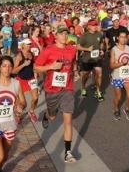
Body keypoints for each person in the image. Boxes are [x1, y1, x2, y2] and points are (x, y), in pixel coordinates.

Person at [34, 26, 78, 163]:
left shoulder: (72, 49)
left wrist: (75, 71)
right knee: (53, 116)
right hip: (51, 89)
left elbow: (73, 62)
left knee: (68, 121)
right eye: (61, 34)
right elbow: (36, 67)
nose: (65, 36)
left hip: (67, 88)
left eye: (66, 33)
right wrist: (50, 67)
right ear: (56, 36)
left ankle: (68, 152)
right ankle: (47, 115)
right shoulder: (48, 50)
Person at [110, 29, 129, 120]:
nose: (123, 39)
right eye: (121, 37)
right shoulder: (114, 50)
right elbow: (111, 65)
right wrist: (121, 63)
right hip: (117, 76)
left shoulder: (128, 48)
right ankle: (116, 109)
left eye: (125, 37)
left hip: (128, 75)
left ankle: (127, 109)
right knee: (118, 97)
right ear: (117, 38)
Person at [77, 19, 105, 101]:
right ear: (88, 26)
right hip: (87, 59)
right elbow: (77, 47)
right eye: (93, 25)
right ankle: (83, 87)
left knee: (99, 74)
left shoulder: (99, 34)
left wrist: (101, 49)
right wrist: (87, 49)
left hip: (97, 58)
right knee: (85, 75)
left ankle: (98, 91)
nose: (95, 26)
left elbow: (101, 43)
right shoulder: (84, 36)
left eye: (96, 25)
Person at [12, 38, 39, 123]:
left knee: (35, 98)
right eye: (27, 44)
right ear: (23, 45)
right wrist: (23, 64)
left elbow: (34, 64)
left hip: (31, 78)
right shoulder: (19, 56)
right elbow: (13, 70)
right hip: (21, 79)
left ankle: (31, 111)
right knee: (21, 102)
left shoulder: (31, 53)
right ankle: (18, 115)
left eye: (30, 44)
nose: (29, 45)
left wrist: (35, 73)